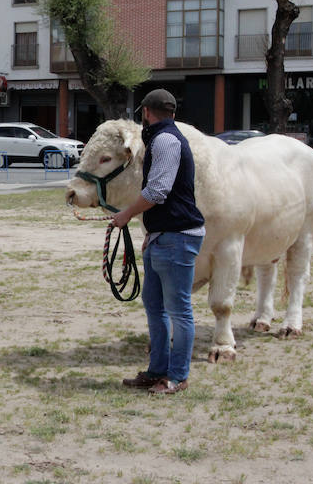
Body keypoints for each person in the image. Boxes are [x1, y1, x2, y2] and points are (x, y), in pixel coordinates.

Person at [112, 89, 206, 395]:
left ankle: (176, 376)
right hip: (164, 237)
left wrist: (126, 214)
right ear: (172, 113)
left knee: (178, 310)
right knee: (155, 305)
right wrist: (151, 234)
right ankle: (157, 371)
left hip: (176, 237)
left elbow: (158, 191)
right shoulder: (166, 137)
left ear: (147, 113)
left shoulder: (165, 140)